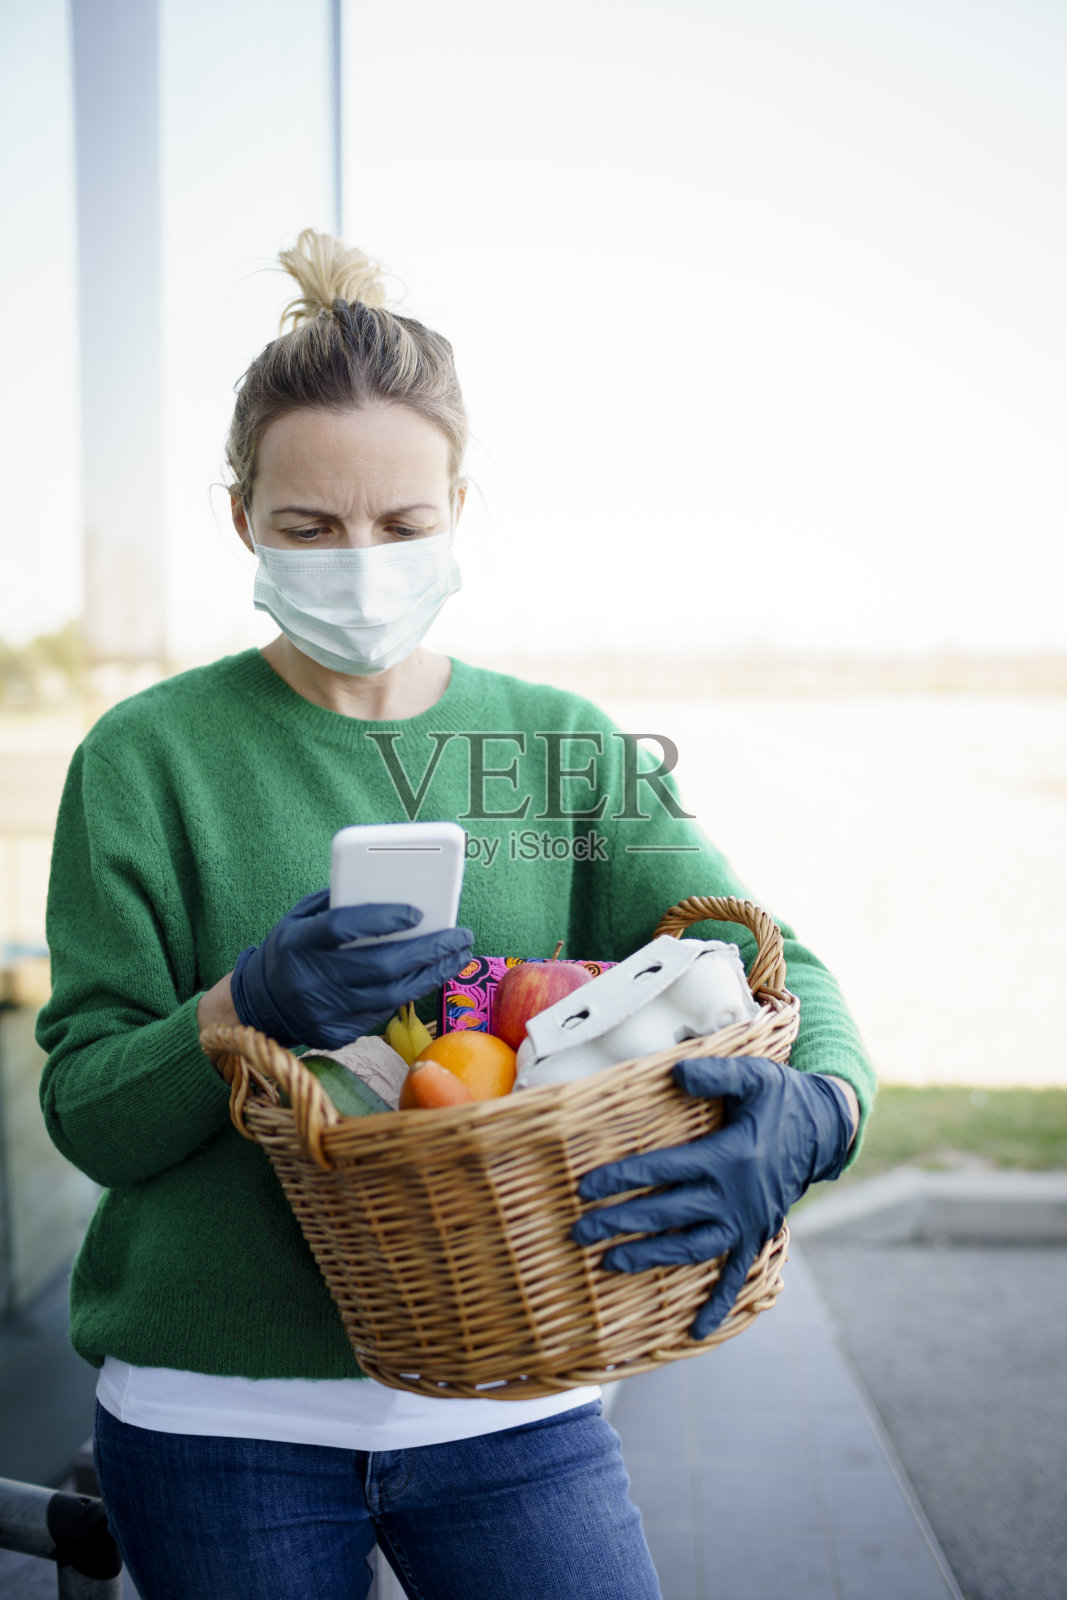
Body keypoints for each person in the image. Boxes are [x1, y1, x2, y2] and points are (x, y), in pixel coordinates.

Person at [37, 228, 875, 1600]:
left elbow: (772, 955)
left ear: (461, 506)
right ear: (240, 515)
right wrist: (238, 1010)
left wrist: (825, 1112)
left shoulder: (559, 745)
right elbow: (86, 1110)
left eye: (400, 524)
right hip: (214, 1421)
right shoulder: (146, 758)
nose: (356, 561)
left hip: (517, 1400)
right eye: (308, 527)